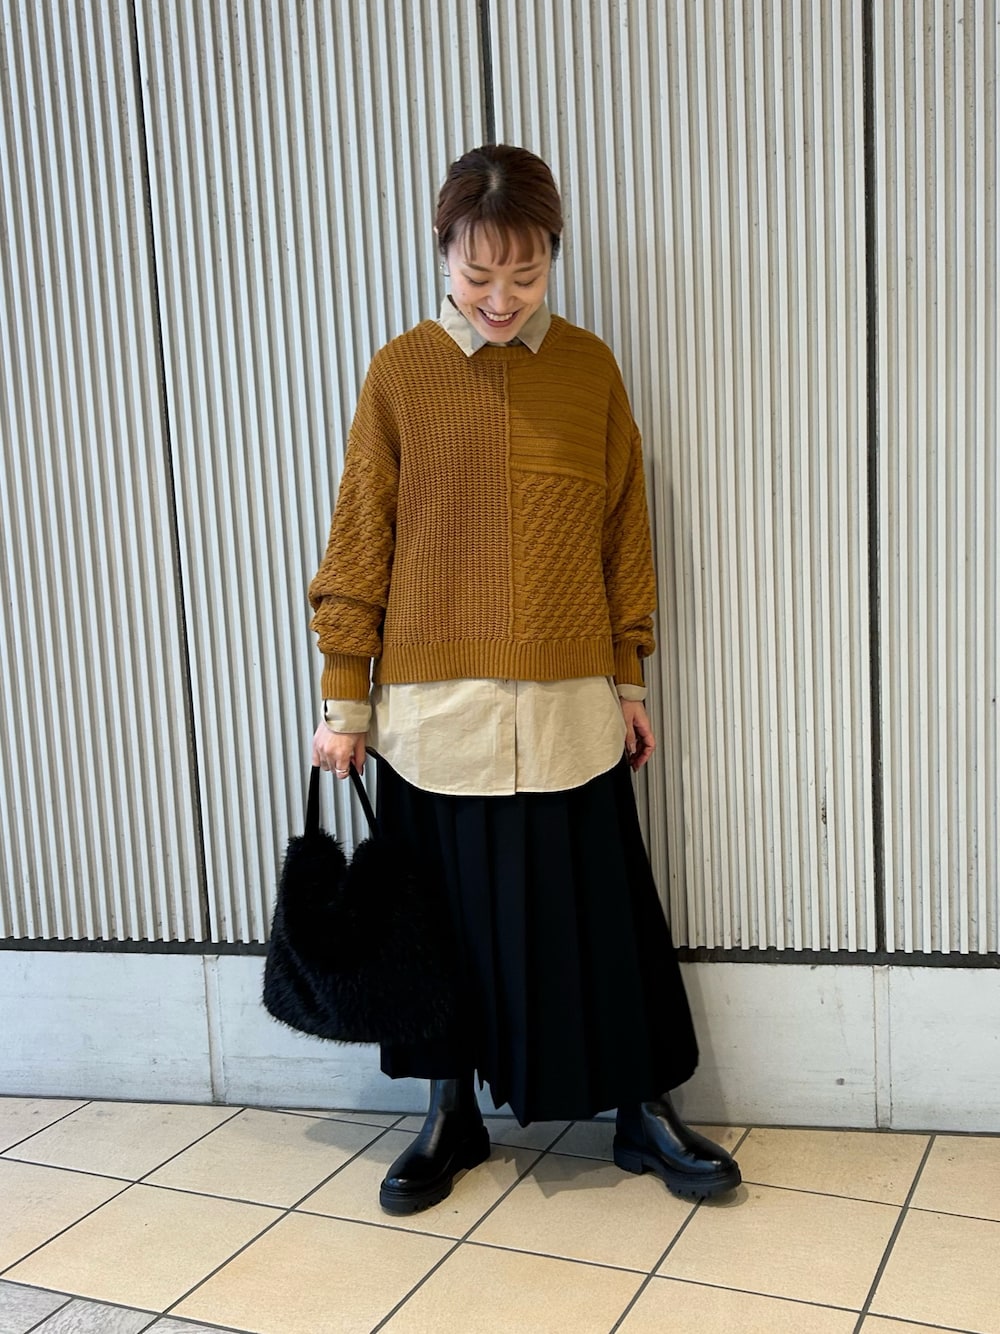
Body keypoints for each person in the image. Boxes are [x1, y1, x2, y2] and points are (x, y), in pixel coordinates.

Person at [308, 144, 741, 1215]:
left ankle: (639, 1110)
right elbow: (361, 534)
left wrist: (629, 682)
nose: (500, 298)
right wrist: (343, 697)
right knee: (438, 930)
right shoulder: (400, 373)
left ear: (552, 255)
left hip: (568, 707)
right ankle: (447, 1114)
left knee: (600, 920)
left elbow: (623, 532)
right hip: (432, 711)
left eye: (525, 274)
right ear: (442, 254)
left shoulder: (589, 369)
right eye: (477, 274)